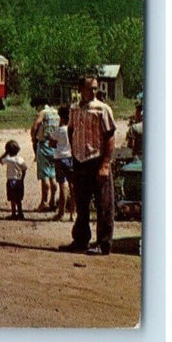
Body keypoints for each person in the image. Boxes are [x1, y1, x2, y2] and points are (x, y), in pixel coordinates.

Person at [59, 76, 118, 256]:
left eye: (94, 88)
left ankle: (103, 243)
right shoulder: (74, 109)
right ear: (80, 89)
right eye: (89, 88)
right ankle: (80, 239)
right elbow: (71, 130)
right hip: (80, 161)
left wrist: (105, 164)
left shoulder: (102, 109)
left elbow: (110, 137)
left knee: (104, 204)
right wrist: (74, 151)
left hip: (97, 160)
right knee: (82, 204)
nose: (93, 91)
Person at [30, 101, 58, 211]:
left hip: (44, 145)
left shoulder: (43, 112)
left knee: (44, 175)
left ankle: (44, 202)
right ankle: (53, 200)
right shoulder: (56, 113)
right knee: (53, 174)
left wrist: (33, 136)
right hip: (55, 146)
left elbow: (36, 124)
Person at [50, 104, 75, 221]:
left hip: (60, 158)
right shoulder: (74, 129)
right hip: (71, 157)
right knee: (73, 186)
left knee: (63, 186)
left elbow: (52, 143)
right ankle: (73, 213)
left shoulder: (59, 130)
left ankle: (61, 213)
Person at [0, 139, 27, 219]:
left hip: (11, 180)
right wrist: (22, 178)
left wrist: (5, 153)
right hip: (19, 180)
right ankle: (20, 213)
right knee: (18, 198)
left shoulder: (8, 159)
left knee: (12, 199)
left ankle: (14, 213)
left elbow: (0, 160)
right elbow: (25, 168)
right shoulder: (20, 159)